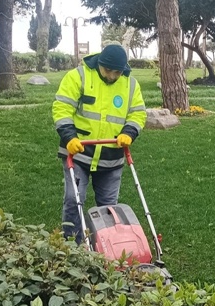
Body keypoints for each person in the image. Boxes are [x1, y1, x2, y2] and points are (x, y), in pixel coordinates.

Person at [52, 44, 147, 242]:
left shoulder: (130, 84)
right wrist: (69, 137)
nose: (112, 76)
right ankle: (72, 245)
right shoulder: (78, 76)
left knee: (108, 207)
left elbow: (138, 113)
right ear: (99, 64)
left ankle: (106, 245)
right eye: (107, 70)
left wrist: (129, 132)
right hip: (78, 153)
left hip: (111, 156)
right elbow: (62, 108)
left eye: (117, 72)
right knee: (74, 200)